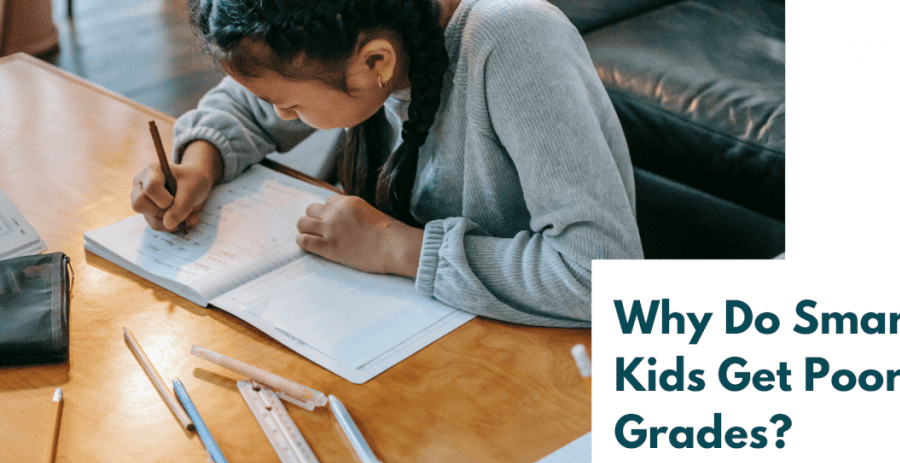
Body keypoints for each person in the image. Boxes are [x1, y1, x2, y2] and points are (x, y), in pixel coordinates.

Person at [129, 0, 643, 327]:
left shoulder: (514, 42)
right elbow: (248, 100)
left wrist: (393, 246)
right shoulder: (360, 29)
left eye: (292, 106)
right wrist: (199, 164)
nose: (280, 115)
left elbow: (600, 277)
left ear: (376, 62)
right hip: (411, 323)